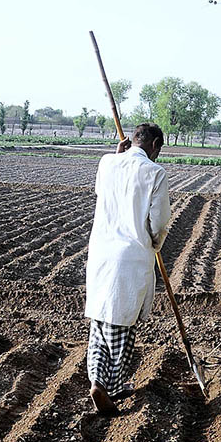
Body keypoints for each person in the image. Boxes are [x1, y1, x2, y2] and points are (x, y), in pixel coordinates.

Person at [85, 123, 170, 416]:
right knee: (122, 327)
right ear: (155, 144)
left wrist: (115, 155)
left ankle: (105, 382)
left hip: (100, 254)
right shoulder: (155, 173)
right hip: (130, 257)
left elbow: (101, 191)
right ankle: (109, 385)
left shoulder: (108, 162)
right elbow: (158, 223)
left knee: (99, 325)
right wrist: (155, 243)